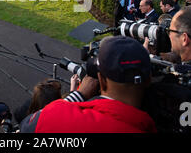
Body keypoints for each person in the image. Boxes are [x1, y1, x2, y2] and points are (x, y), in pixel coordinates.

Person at [21, 37, 157, 133]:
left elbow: (28, 125)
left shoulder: (62, 119)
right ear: (149, 79)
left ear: (101, 80)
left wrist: (80, 94)